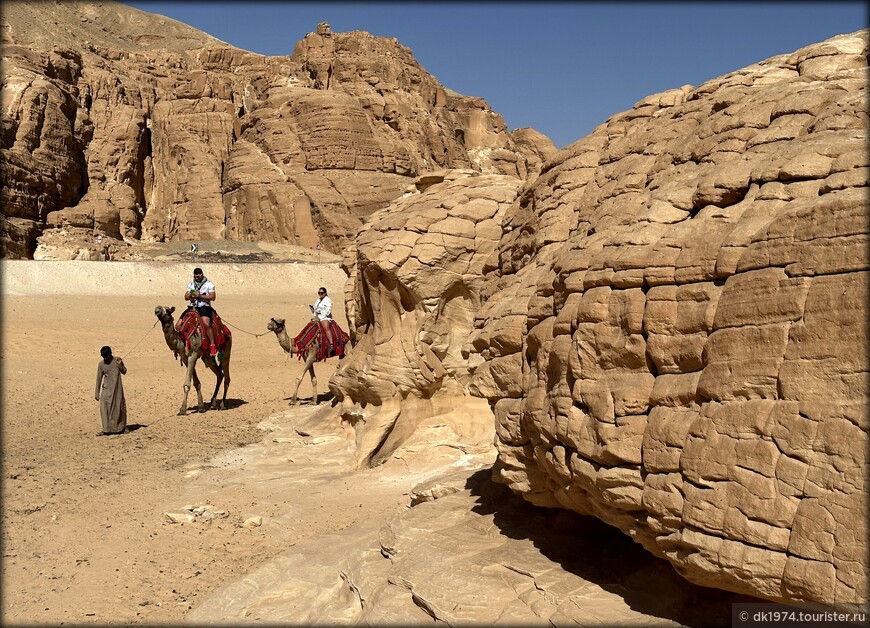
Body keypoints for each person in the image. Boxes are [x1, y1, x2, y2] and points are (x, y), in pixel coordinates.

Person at [95, 346, 127, 436]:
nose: (105, 359)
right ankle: (106, 429)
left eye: (106, 357)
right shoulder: (101, 364)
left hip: (117, 390)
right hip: (106, 390)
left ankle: (120, 428)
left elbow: (124, 371)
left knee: (118, 409)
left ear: (110, 354)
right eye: (103, 357)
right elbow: (98, 378)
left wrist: (120, 364)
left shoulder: (117, 360)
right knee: (104, 409)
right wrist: (97, 393)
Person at [185, 267, 217, 356]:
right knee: (180, 324)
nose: (196, 278)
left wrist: (200, 296)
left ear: (202, 275)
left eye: (198, 277)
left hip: (204, 306)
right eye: (195, 277)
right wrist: (192, 295)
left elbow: (212, 297)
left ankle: (212, 344)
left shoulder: (209, 284)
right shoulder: (192, 284)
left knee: (206, 323)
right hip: (193, 306)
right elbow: (186, 296)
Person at [310, 286, 334, 351]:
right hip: (317, 317)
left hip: (325, 317)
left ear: (325, 293)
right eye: (319, 293)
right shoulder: (318, 300)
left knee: (326, 327)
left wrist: (320, 314)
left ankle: (331, 344)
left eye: (322, 293)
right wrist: (313, 309)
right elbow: (315, 309)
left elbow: (328, 311)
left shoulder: (328, 301)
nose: (320, 294)